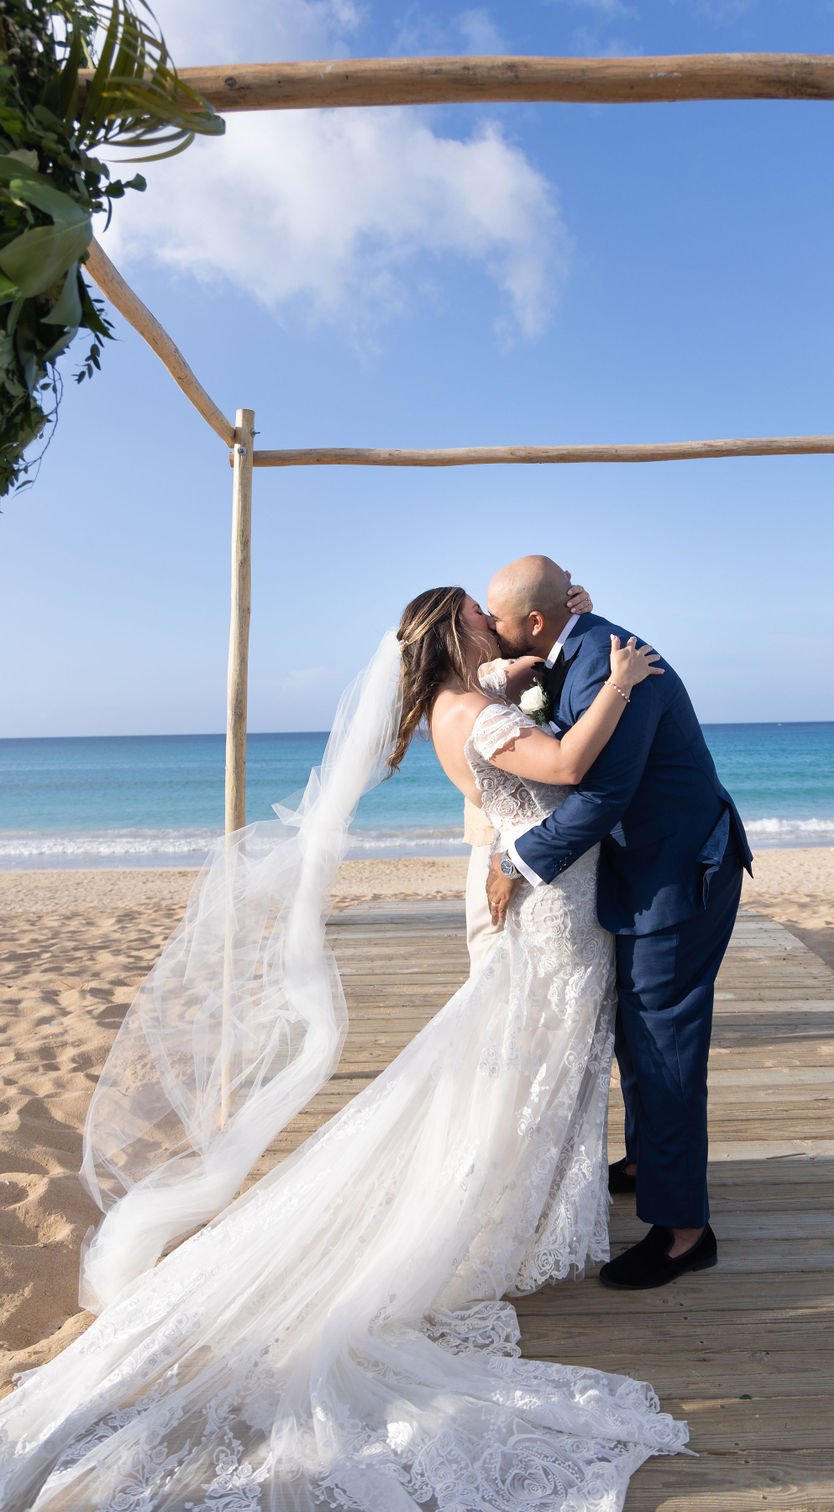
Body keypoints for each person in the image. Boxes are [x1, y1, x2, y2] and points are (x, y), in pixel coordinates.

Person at [0, 585, 692, 1511]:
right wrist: (618, 681)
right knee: (530, 1056)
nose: (494, 627)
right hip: (549, 908)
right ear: (458, 634)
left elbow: (503, 681)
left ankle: (528, 1191)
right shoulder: (478, 716)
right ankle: (495, 1202)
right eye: (481, 621)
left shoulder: (467, 696)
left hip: (546, 902)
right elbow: (565, 762)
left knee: (537, 1059)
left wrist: (539, 653)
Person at [485, 555, 753, 1291]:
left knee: (664, 1044)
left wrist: (515, 864)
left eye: (500, 621)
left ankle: (684, 1232)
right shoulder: (572, 651)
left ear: (534, 622)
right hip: (650, 869)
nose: (495, 633)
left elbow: (602, 796)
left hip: (677, 873)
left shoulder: (612, 664)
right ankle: (645, 1162)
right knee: (636, 1028)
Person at [463, 574, 593, 973]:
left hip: (553, 836)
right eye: (480, 613)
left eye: (494, 614)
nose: (489, 620)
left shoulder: (515, 661)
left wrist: (571, 616)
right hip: (499, 832)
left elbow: (557, 651)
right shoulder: (475, 685)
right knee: (490, 947)